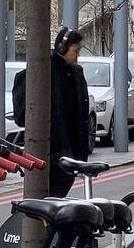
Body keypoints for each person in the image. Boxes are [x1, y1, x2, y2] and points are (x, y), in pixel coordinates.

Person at [11, 27, 91, 197]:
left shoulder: (76, 73)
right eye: (75, 50)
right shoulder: (42, 71)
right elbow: (21, 114)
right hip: (51, 149)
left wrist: (82, 151)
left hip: (72, 148)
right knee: (52, 196)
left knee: (58, 193)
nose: (78, 55)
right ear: (62, 48)